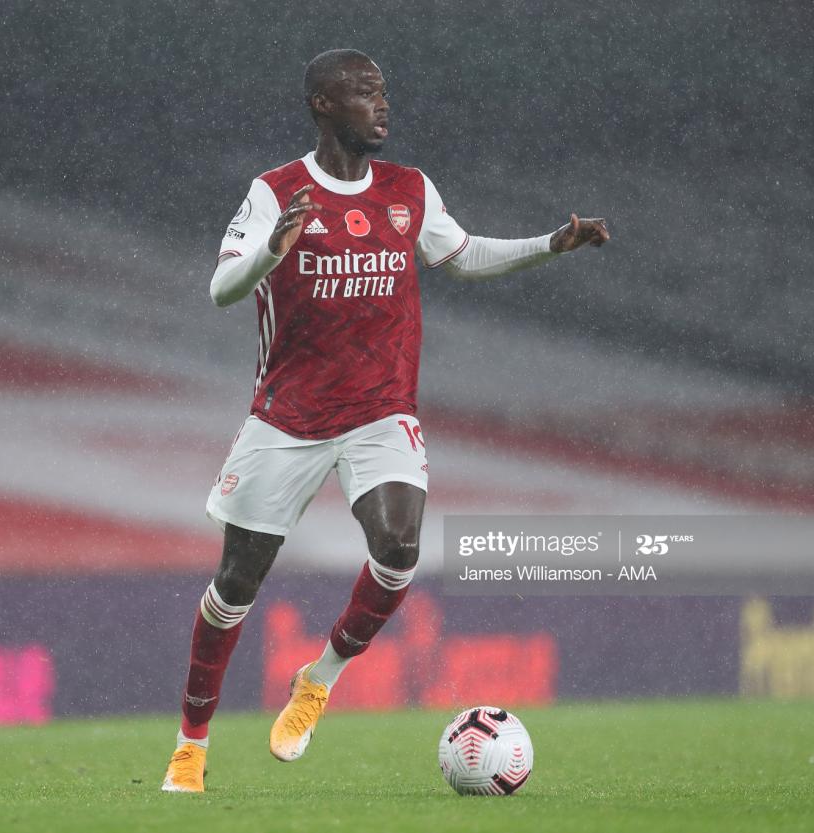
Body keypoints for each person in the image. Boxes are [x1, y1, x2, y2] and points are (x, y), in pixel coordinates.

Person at [162, 48, 609, 793]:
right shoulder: (276, 191)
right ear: (323, 106)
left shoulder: (409, 189)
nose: (383, 105)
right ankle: (190, 743)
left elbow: (462, 256)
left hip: (380, 409)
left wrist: (548, 245)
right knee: (237, 581)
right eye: (364, 93)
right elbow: (220, 290)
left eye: (383, 92)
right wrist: (270, 253)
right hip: (289, 417)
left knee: (400, 549)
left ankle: (319, 678)